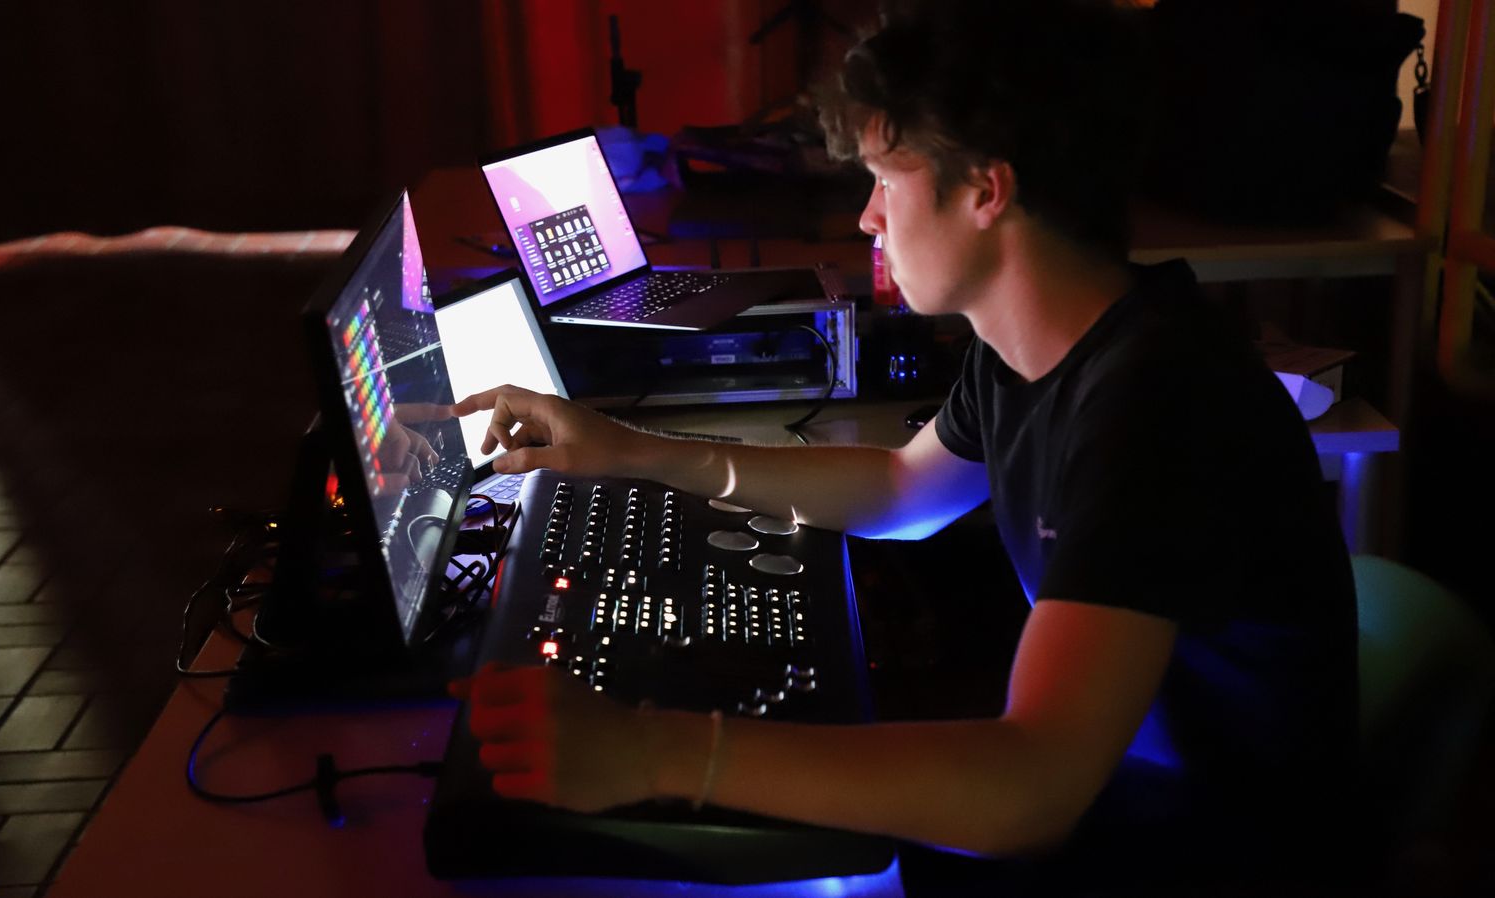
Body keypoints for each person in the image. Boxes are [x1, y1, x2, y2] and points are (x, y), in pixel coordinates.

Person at [448, 0, 1358, 892]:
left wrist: (656, 751)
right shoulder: (1034, 346)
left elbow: (1031, 790)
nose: (868, 218)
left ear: (986, 190)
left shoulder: (1157, 403)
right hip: (1119, 802)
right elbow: (900, 491)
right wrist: (631, 452)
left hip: (1199, 852)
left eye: (886, 179)